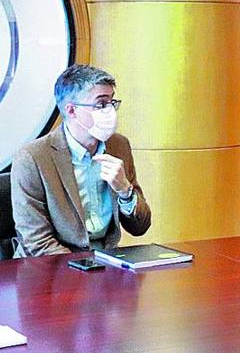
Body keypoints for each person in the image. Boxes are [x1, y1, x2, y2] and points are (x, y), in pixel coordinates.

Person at [12, 64, 151, 256]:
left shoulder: (119, 146)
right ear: (71, 110)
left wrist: (125, 191)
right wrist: (84, 268)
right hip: (52, 265)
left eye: (112, 102)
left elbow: (140, 227)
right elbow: (37, 241)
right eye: (101, 104)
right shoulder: (32, 158)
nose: (110, 111)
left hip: (106, 259)